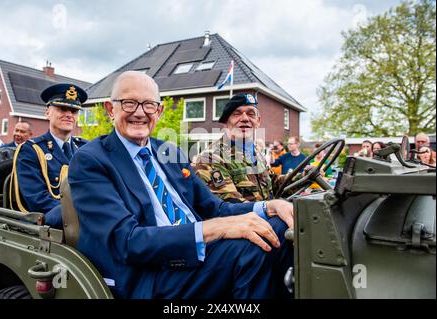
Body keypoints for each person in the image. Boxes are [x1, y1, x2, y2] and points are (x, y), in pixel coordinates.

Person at [68, 72, 294, 299]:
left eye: (148, 105)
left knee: (284, 229)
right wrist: (215, 229)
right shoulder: (91, 160)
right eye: (129, 103)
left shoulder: (169, 152)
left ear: (159, 111)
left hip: (198, 254)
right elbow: (127, 241)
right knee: (252, 247)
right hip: (152, 273)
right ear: (110, 109)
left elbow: (216, 209)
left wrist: (268, 207)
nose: (139, 112)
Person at [10, 83, 88, 228]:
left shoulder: (84, 148)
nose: (69, 115)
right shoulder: (31, 150)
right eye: (62, 109)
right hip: (51, 226)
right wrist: (83, 212)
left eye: (74, 110)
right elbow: (37, 200)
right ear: (47, 112)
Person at [194, 93, 287, 202]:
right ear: (226, 123)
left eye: (251, 114)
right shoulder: (211, 158)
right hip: (246, 218)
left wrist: (305, 176)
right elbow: (228, 205)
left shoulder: (256, 153)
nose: (245, 119)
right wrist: (270, 208)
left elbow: (273, 183)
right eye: (236, 114)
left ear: (258, 122)